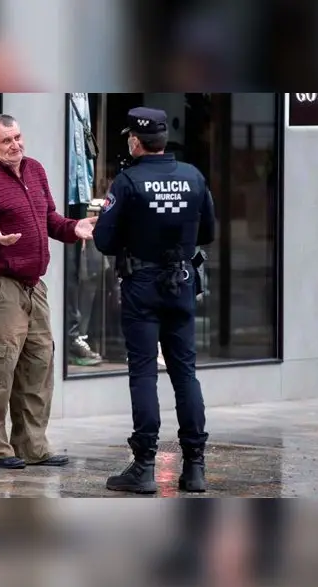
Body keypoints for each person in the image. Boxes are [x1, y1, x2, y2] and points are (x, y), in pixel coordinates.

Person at [0, 114, 98, 469]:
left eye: (18, 137)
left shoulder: (35, 170)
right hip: (0, 287)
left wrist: (73, 227)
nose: (15, 145)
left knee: (39, 365)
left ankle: (32, 445)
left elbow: (49, 218)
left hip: (35, 286)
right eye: (6, 141)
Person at [93, 107, 216, 493]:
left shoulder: (127, 182)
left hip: (142, 284)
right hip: (181, 283)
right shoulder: (193, 177)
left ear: (135, 141)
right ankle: (194, 467)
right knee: (185, 374)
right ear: (163, 139)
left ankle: (145, 467)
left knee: (144, 372)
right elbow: (208, 232)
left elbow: (104, 240)